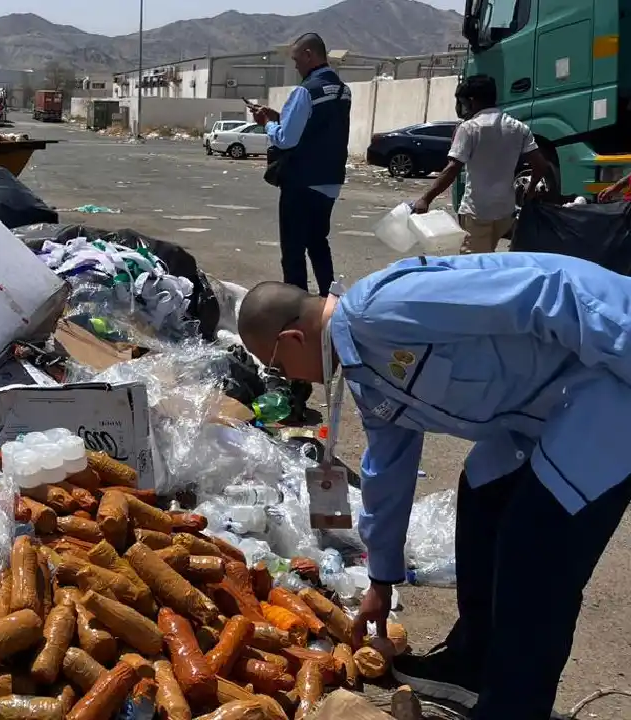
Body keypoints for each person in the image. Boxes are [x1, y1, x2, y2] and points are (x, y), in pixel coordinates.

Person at [235, 252, 631, 720]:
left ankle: (513, 707)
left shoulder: (385, 307)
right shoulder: (365, 370)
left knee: (536, 550)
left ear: (292, 339)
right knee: (483, 494)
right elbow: (388, 466)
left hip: (606, 383)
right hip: (540, 408)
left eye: (278, 366)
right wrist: (381, 577)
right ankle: (472, 661)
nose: (288, 380)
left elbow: (548, 290)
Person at [249, 33, 351, 297]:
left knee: (293, 251)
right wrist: (282, 117)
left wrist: (268, 123)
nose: (295, 66)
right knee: (318, 243)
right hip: (330, 181)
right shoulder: (342, 90)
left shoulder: (305, 91)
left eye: (296, 60)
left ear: (309, 55)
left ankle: (297, 310)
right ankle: (330, 302)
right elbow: (318, 127)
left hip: (302, 182)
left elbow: (285, 139)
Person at [413, 74, 552, 254]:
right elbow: (541, 165)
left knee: (473, 267)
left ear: (472, 100)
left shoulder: (470, 128)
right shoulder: (518, 127)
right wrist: (531, 189)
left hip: (477, 212)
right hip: (505, 212)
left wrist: (426, 199)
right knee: (490, 259)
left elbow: (452, 169)